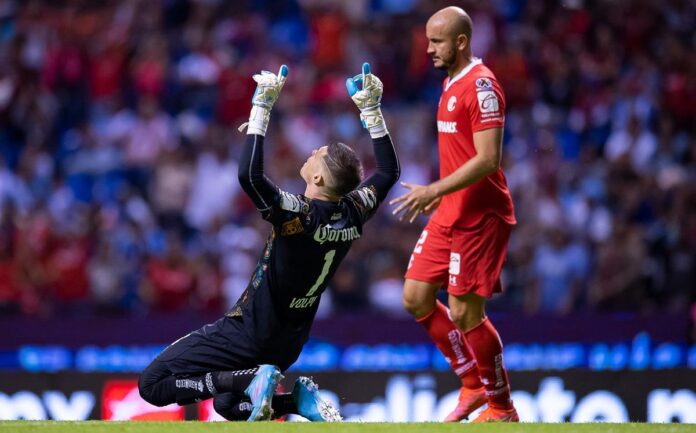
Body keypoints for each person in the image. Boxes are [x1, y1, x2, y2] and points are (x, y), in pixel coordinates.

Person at [138, 63, 400, 421]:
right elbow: (388, 172)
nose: (312, 152)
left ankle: (254, 378)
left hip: (248, 331)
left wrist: (260, 108)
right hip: (289, 342)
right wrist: (372, 111)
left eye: (318, 154)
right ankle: (296, 402)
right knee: (228, 403)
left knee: (152, 384)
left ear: (319, 178)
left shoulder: (301, 214)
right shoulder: (354, 210)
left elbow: (251, 177)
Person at [390, 7, 518, 423]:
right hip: (451, 209)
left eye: (436, 41)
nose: (428, 49)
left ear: (461, 42)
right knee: (415, 296)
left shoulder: (482, 87)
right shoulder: (450, 82)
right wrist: (442, 195)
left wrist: (435, 189)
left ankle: (502, 408)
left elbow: (488, 159)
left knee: (465, 313)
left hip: (480, 216)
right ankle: (472, 383)